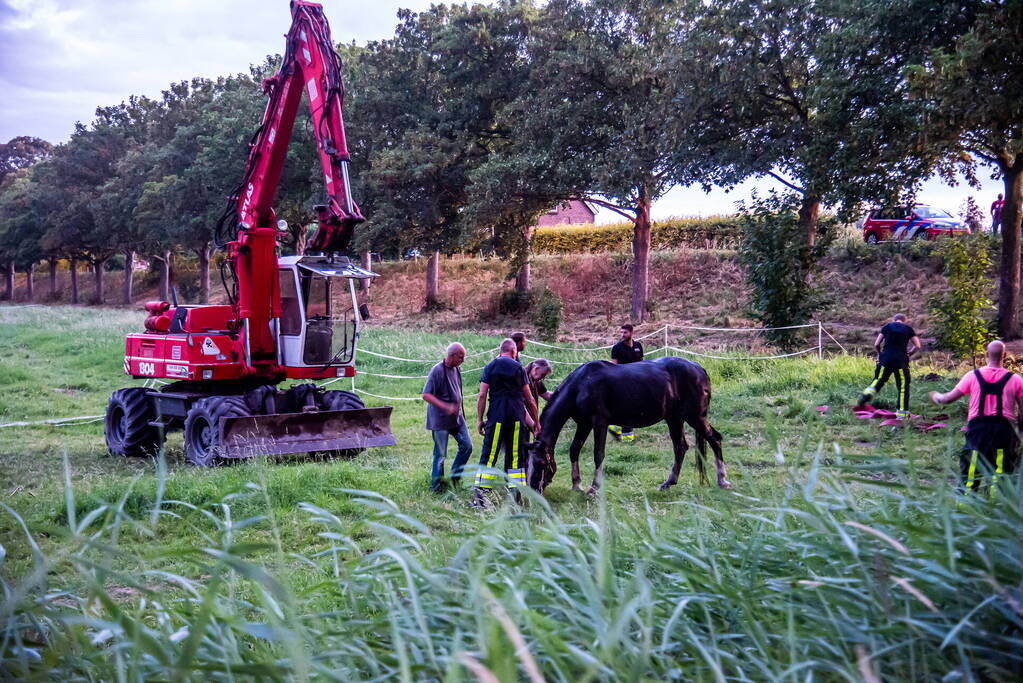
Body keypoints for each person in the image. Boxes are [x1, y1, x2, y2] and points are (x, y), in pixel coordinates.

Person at [930, 340, 1022, 495]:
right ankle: (998, 506)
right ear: (1005, 356)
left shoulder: (972, 376)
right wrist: (1019, 430)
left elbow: (948, 399)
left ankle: (966, 506)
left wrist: (937, 396)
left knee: (972, 467)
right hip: (1004, 431)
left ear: (986, 355)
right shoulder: (1016, 380)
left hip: (978, 430)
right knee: (1002, 469)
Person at [473, 338, 539, 505]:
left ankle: (480, 498)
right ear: (514, 352)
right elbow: (529, 399)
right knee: (516, 456)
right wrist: (536, 423)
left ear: (500, 350)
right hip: (517, 418)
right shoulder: (518, 368)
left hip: (496, 417)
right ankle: (515, 498)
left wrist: (480, 419)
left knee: (489, 455)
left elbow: (481, 395)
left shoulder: (490, 367)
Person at [422, 343, 472, 492]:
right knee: (440, 454)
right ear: (452, 355)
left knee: (467, 446)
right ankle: (436, 487)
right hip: (440, 421)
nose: (463, 360)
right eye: (460, 357)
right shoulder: (436, 370)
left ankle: (454, 480)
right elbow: (426, 395)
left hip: (457, 419)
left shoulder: (457, 369)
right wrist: (445, 407)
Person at [856, 314, 921, 419]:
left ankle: (864, 398)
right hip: (900, 361)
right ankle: (902, 414)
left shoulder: (887, 326)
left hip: (885, 359)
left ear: (894, 320)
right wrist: (909, 353)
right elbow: (917, 345)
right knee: (903, 387)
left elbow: (877, 344)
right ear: (904, 321)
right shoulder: (908, 329)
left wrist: (880, 353)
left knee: (878, 380)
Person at [609, 323, 644, 442]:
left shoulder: (638, 346)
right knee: (628, 407)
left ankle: (614, 428)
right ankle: (627, 438)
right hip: (622, 382)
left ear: (631, 333)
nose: (622, 335)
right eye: (621, 332)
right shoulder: (617, 348)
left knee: (634, 406)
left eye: (625, 332)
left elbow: (642, 363)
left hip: (637, 381)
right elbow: (613, 366)